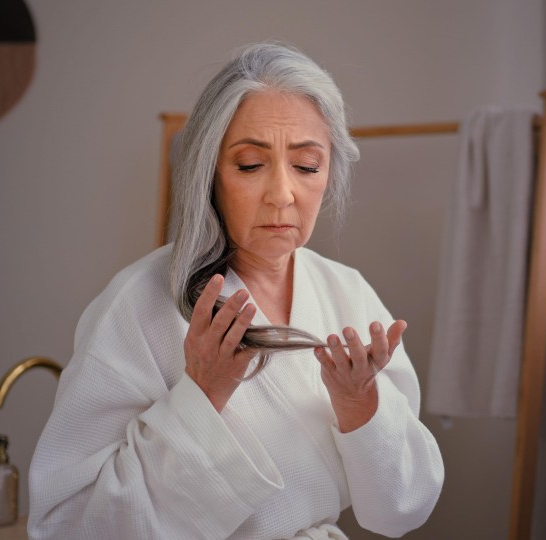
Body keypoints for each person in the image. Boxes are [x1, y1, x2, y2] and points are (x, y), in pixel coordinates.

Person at [28, 42, 444, 540]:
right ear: (210, 175)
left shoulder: (346, 295)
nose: (283, 193)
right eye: (249, 165)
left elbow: (402, 510)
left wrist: (360, 406)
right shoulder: (138, 305)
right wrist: (202, 392)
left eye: (307, 166)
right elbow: (65, 526)